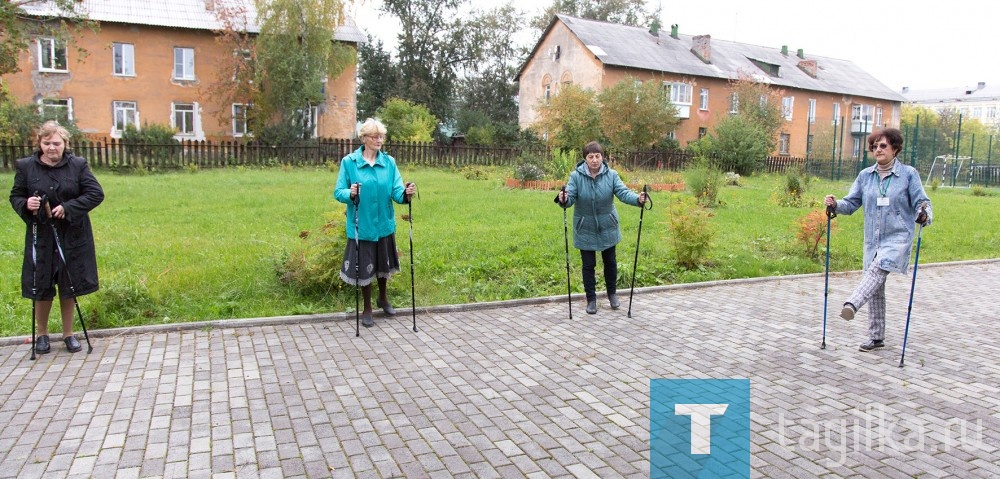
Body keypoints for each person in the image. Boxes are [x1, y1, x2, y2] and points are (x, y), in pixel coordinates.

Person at [824, 127, 932, 352]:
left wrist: (924, 214)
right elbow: (851, 203)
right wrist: (835, 205)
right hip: (873, 239)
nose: (878, 150)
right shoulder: (865, 176)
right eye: (875, 146)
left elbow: (923, 202)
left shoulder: (909, 174)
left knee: (877, 269)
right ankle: (876, 337)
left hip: (898, 237)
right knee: (876, 285)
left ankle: (852, 303)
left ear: (895, 148)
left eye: (883, 146)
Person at [9, 121, 105, 354]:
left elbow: (95, 194)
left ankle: (68, 334)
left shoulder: (78, 165)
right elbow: (16, 196)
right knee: (41, 283)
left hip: (71, 234)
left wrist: (69, 208)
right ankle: (41, 335)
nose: (52, 148)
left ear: (65, 144)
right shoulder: (26, 167)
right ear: (39, 143)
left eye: (56, 143)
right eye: (47, 143)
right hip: (41, 234)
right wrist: (27, 204)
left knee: (68, 283)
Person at [334, 118, 416, 327]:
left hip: (384, 223)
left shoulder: (389, 162)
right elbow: (338, 191)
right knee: (364, 269)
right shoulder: (349, 163)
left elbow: (396, 191)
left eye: (382, 136)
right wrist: (349, 193)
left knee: (383, 264)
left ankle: (383, 298)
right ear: (364, 138)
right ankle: (367, 308)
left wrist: (406, 194)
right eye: (375, 136)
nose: (380, 140)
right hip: (362, 224)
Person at [557, 141, 647, 314]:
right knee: (588, 265)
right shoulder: (575, 177)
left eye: (597, 156)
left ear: (602, 157)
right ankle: (591, 300)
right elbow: (570, 198)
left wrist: (638, 199)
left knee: (610, 263)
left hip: (608, 226)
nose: (594, 160)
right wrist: (564, 199)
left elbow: (623, 192)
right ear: (585, 159)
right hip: (585, 227)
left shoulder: (611, 175)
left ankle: (612, 294)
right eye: (590, 156)